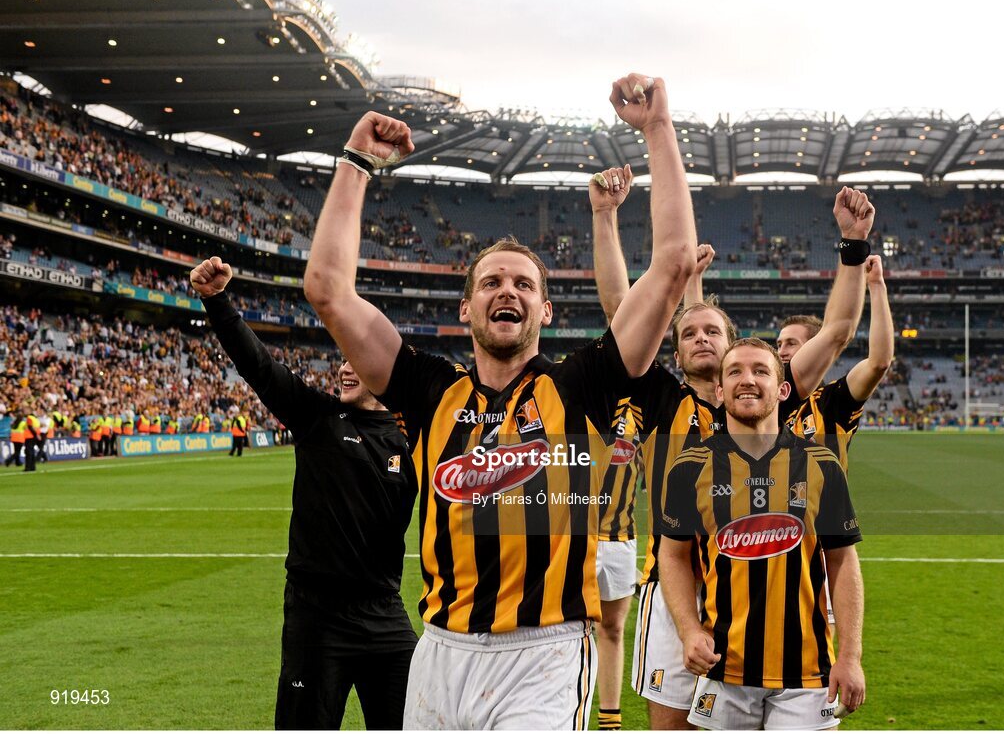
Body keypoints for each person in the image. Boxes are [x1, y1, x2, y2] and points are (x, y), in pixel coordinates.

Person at [303, 73, 699, 730]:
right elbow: (326, 288)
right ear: (466, 306)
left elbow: (675, 260)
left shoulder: (580, 386)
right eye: (490, 280)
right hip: (439, 653)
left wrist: (658, 129)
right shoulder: (429, 388)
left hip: (541, 657)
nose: (505, 289)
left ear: (545, 307)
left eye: (522, 282)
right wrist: (354, 161)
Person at [593, 185, 874, 729]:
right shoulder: (660, 400)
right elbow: (617, 311)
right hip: (673, 587)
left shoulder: (758, 399)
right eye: (689, 332)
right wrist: (605, 217)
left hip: (762, 591)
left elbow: (837, 333)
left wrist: (853, 245)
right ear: (674, 352)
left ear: (731, 347)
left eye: (713, 331)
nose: (701, 338)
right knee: (673, 725)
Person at [191, 255, 419, 731]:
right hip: (317, 616)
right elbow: (259, 367)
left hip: (385, 614)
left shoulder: (413, 441)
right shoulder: (317, 416)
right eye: (340, 360)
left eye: (355, 358)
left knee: (417, 722)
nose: (344, 369)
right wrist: (217, 302)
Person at [659, 338, 865, 730]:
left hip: (807, 674)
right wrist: (688, 630)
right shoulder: (691, 467)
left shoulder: (821, 464)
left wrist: (850, 656)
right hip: (725, 669)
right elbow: (672, 557)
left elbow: (842, 561)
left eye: (760, 371)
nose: (747, 380)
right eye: (734, 371)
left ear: (783, 389)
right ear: (719, 391)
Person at [778, 255, 895, 469]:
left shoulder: (833, 401)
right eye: (779, 344)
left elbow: (878, 363)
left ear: (817, 346)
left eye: (791, 343)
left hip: (825, 503)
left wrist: (877, 286)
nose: (781, 352)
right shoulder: (767, 400)